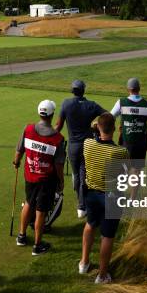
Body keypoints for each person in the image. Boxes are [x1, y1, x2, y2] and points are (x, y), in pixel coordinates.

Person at [80, 113, 129, 284]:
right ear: (114, 128)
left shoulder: (87, 144)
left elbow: (93, 128)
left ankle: (84, 263)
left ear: (98, 127)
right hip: (112, 196)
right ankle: (102, 275)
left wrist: (97, 126)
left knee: (90, 224)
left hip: (91, 194)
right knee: (107, 236)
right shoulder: (120, 151)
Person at [13, 99, 66, 255]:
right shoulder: (57, 139)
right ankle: (37, 245)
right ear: (52, 115)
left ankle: (21, 236)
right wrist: (61, 181)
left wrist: (16, 162)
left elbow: (19, 150)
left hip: (30, 176)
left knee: (29, 202)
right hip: (46, 180)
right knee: (41, 211)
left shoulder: (28, 129)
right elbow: (58, 165)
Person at [55, 80, 106, 218]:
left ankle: (81, 204)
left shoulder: (66, 103)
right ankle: (82, 206)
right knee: (83, 174)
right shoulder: (91, 105)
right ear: (84, 90)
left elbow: (58, 127)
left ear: (73, 91)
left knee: (76, 174)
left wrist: (47, 135)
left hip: (73, 146)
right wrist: (96, 125)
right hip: (88, 145)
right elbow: (107, 116)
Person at [110, 78, 147, 163]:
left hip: (126, 141)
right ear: (139, 89)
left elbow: (110, 117)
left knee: (125, 169)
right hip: (141, 142)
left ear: (128, 89)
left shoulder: (121, 102)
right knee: (137, 170)